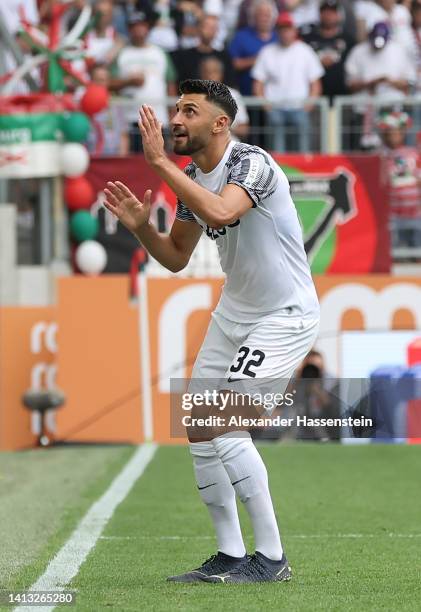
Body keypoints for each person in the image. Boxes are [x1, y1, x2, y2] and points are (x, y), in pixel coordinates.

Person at [103, 79, 320, 583]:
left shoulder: (252, 163)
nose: (176, 119)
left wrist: (156, 163)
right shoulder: (191, 174)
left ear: (220, 123)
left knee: (224, 421)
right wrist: (141, 226)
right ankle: (229, 554)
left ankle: (270, 559)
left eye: (190, 111)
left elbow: (222, 210)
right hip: (234, 315)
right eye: (176, 109)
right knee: (200, 428)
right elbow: (177, 257)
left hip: (284, 316)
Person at [252, 12, 324, 152]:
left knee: (303, 149)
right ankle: (279, 174)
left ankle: (304, 171)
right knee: (277, 151)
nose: (285, 33)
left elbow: (316, 83)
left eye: (288, 29)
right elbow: (258, 84)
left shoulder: (305, 51)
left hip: (300, 107)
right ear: (277, 31)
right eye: (282, 29)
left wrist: (308, 105)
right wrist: (267, 106)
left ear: (294, 30)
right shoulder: (267, 51)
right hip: (275, 108)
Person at [110, 9, 177, 153]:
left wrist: (173, 117)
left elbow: (170, 85)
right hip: (130, 119)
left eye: (142, 25)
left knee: (160, 161)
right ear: (129, 29)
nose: (138, 29)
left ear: (148, 28)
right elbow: (109, 83)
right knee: (134, 164)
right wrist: (128, 82)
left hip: (158, 118)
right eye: (134, 26)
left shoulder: (160, 53)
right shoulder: (122, 54)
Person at [377, 110, 421, 249]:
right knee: (394, 254)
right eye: (390, 132)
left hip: (416, 212)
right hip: (392, 214)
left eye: (397, 132)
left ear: (403, 133)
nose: (394, 135)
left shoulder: (413, 154)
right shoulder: (380, 157)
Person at [300, 0, 355, 103]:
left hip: (341, 96)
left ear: (338, 15)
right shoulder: (308, 38)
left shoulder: (348, 39)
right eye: (325, 12)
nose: (328, 16)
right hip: (316, 96)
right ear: (320, 14)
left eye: (332, 12)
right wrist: (318, 62)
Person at [171, 14, 236, 87]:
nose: (210, 30)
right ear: (198, 28)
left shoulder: (224, 57)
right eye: (207, 26)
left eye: (213, 27)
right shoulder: (184, 56)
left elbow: (230, 83)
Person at [199, 56, 249, 140]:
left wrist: (222, 126)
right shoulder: (192, 96)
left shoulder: (233, 95)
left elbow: (244, 129)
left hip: (229, 145)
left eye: (214, 72)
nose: (209, 76)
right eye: (206, 72)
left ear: (221, 74)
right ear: (201, 74)